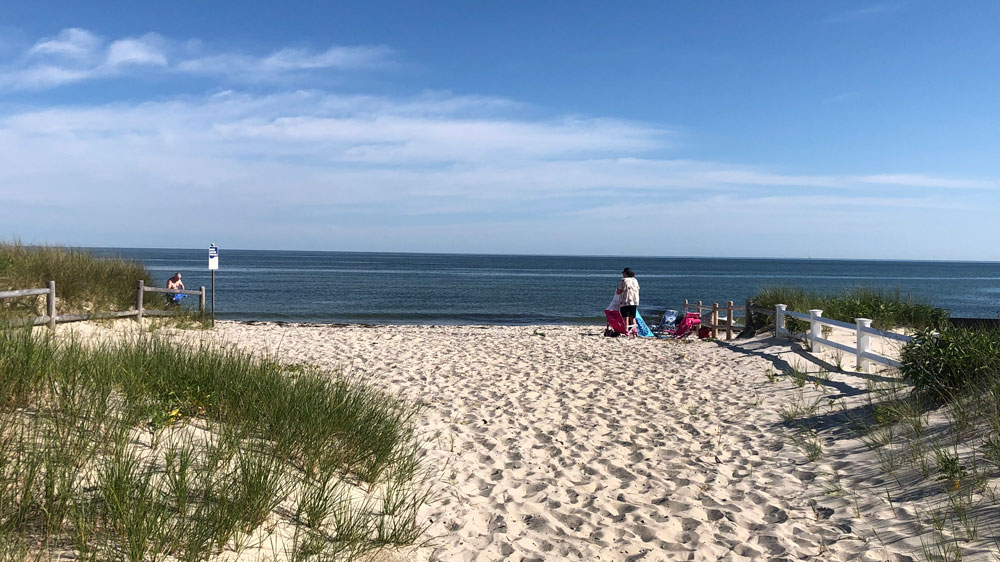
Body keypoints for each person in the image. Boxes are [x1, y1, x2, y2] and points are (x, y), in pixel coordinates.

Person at [616, 267, 640, 337]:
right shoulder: (635, 280)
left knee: (625, 317)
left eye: (623, 273)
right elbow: (638, 289)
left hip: (625, 301)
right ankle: (634, 331)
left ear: (625, 273)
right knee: (633, 317)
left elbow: (619, 291)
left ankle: (626, 331)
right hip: (634, 301)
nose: (622, 274)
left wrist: (618, 293)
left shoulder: (623, 280)